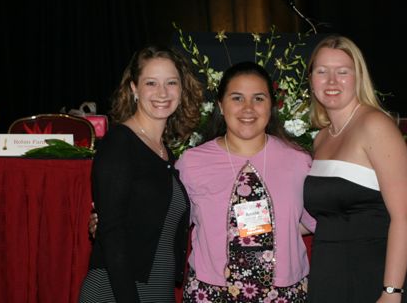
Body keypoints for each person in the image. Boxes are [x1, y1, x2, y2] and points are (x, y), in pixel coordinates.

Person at [178, 61, 315, 302]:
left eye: (259, 98)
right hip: (210, 294)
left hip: (285, 293)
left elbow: (318, 220)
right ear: (221, 105)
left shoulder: (298, 161)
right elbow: (166, 221)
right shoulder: (192, 163)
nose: (248, 108)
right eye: (237, 98)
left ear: (271, 105)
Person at [303, 35, 407, 302]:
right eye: (322, 71)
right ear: (311, 80)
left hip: (374, 277)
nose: (332, 81)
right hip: (328, 275)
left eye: (342, 72)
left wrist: (391, 291)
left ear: (358, 77)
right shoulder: (321, 137)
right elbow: (324, 216)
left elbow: (405, 215)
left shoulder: (375, 125)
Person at [78, 46, 203, 303]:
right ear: (134, 88)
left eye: (171, 82)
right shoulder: (119, 143)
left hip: (156, 289)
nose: (162, 93)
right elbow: (112, 235)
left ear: (182, 89)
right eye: (151, 83)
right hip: (117, 291)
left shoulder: (163, 152)